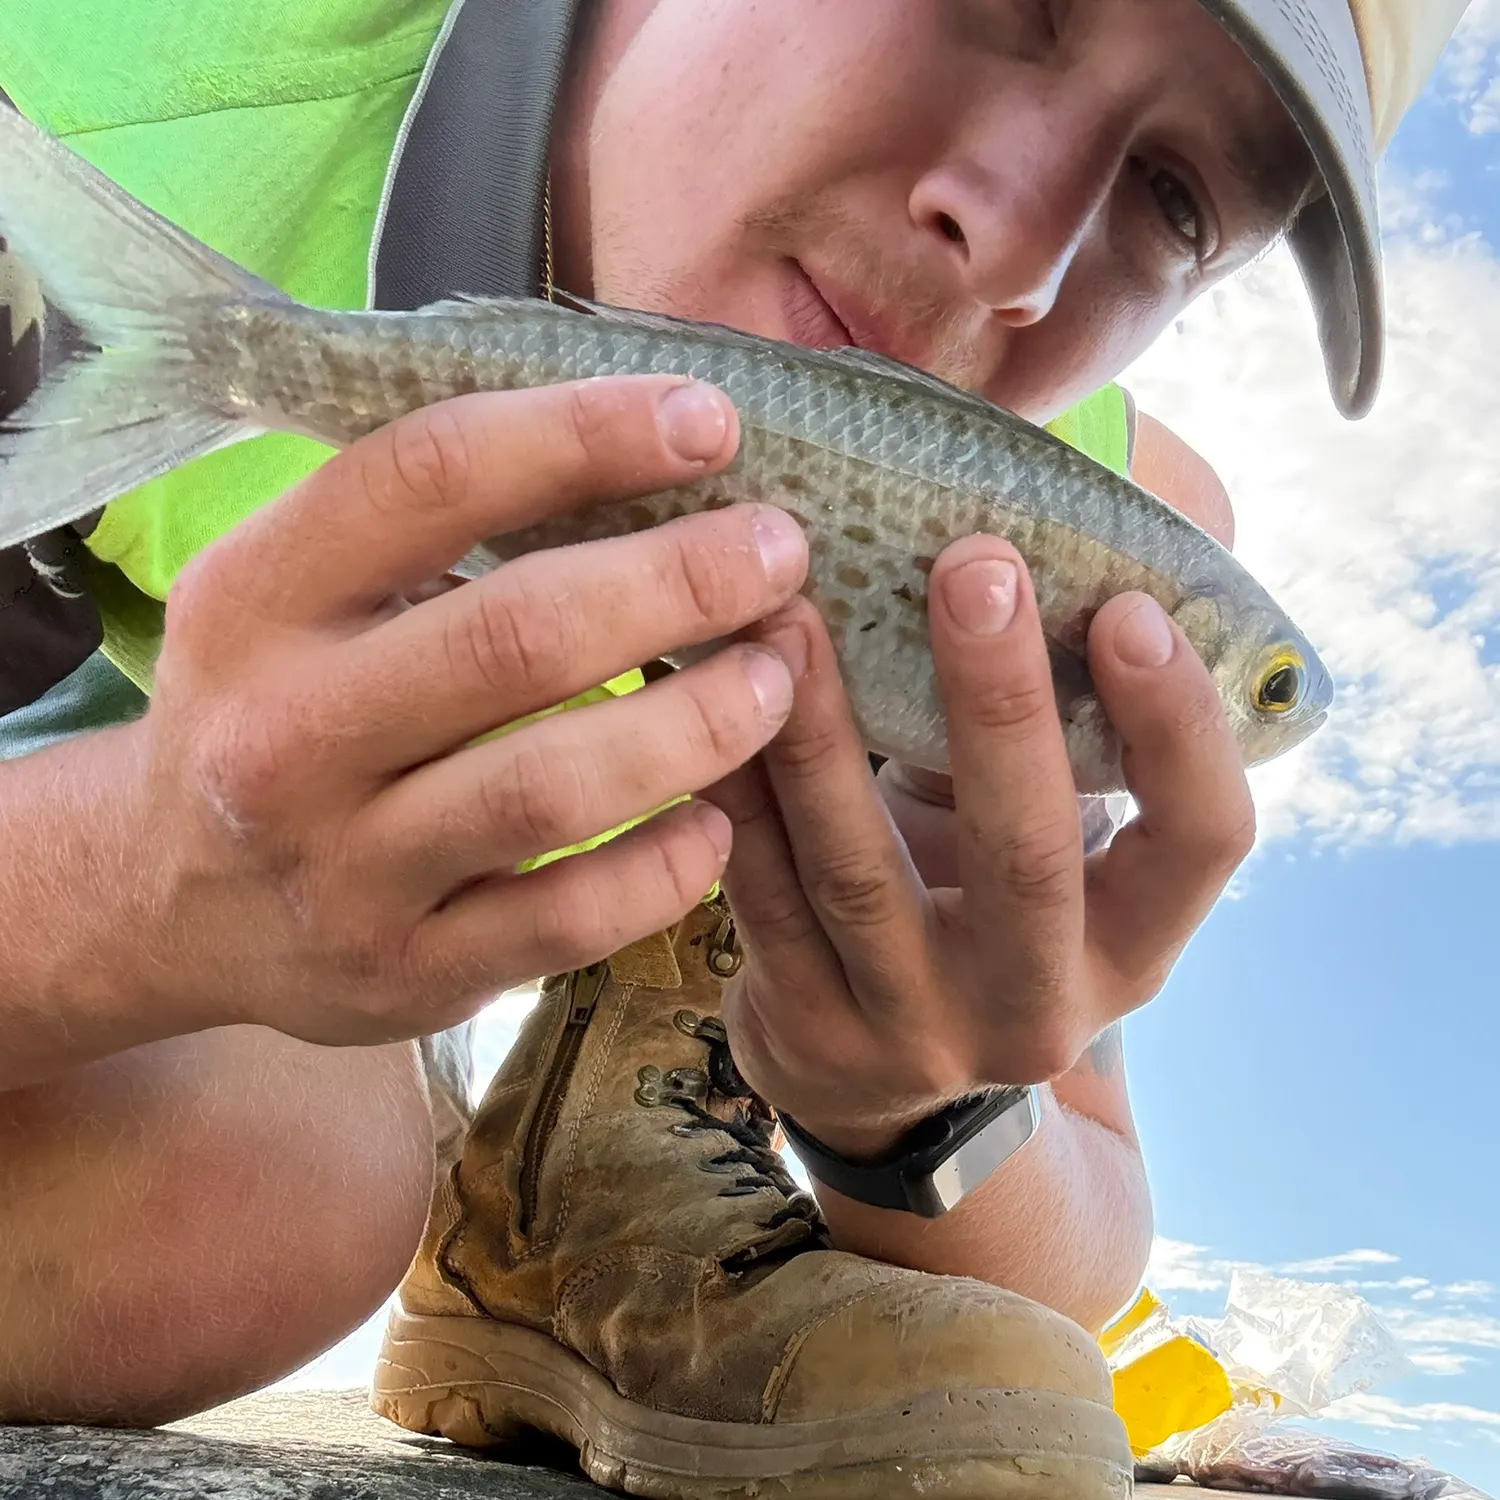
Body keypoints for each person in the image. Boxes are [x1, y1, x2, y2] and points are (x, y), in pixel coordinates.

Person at [0, 2, 1465, 1496]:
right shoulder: (91, 110)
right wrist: (132, 881)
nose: (1015, 249)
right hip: (99, 729)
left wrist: (909, 1105)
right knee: (237, 1206)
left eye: (1174, 198)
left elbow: (1089, 1213)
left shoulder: (1095, 541)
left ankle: (607, 1143)